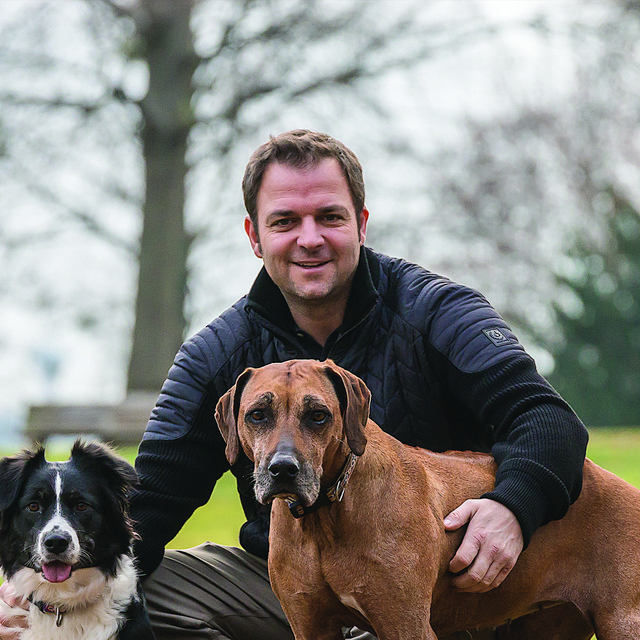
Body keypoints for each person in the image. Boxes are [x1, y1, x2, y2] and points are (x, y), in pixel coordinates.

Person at [0, 130, 588, 640]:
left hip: (447, 581)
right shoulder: (216, 355)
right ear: (256, 236)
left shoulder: (440, 312)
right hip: (285, 576)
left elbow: (546, 419)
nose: (309, 238)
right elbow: (143, 506)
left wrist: (512, 507)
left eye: (329, 217)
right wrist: (33, 590)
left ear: (359, 223)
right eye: (285, 221)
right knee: (138, 591)